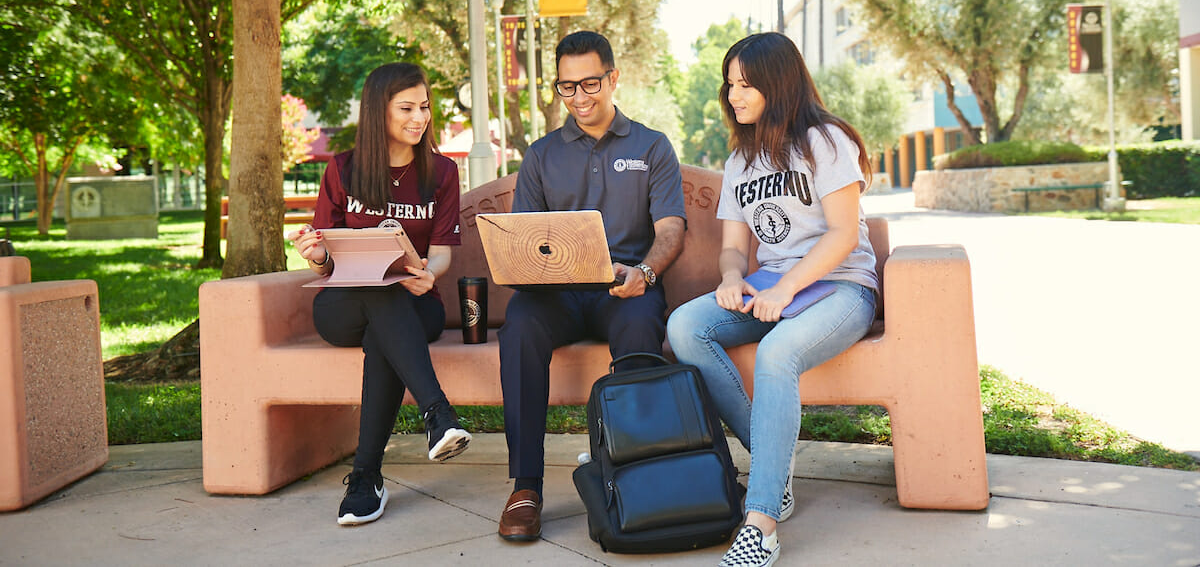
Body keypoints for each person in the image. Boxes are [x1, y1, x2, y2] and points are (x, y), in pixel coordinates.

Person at [666, 32, 879, 567]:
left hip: (840, 285)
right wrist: (734, 279)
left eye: (745, 84)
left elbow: (843, 236)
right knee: (686, 327)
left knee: (777, 352)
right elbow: (736, 247)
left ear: (777, 85)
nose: (733, 95)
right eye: (730, 84)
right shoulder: (743, 159)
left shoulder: (828, 141)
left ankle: (760, 521)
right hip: (772, 286)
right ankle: (773, 471)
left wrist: (786, 287)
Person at [496, 30, 687, 542]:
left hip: (624, 287)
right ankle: (526, 485)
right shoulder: (540, 156)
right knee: (519, 325)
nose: (579, 98)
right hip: (556, 294)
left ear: (613, 78)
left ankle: (632, 474)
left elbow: (671, 229)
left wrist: (643, 273)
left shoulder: (652, 147)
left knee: (640, 323)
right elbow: (525, 238)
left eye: (590, 83)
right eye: (566, 87)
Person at [288, 62, 471, 527]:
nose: (419, 118)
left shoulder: (443, 172)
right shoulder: (344, 169)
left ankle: (366, 479)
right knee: (375, 288)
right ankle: (438, 414)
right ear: (378, 112)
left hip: (414, 304)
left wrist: (428, 273)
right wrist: (314, 254)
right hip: (342, 306)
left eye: (425, 107)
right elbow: (326, 258)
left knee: (384, 324)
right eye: (406, 108)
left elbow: (442, 254)